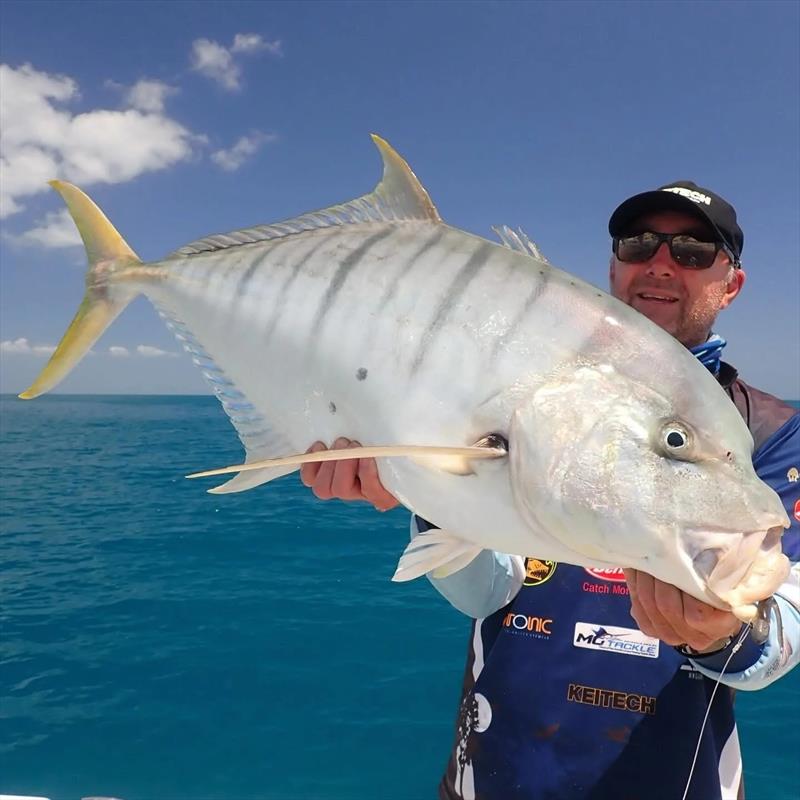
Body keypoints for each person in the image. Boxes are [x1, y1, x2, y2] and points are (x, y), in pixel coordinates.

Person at [300, 182, 800, 800]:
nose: (662, 263)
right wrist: (427, 493)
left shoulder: (769, 431)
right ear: (614, 267)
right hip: (492, 773)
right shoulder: (531, 378)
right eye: (639, 244)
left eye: (693, 251)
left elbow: (780, 631)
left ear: (731, 283)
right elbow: (484, 590)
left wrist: (723, 632)